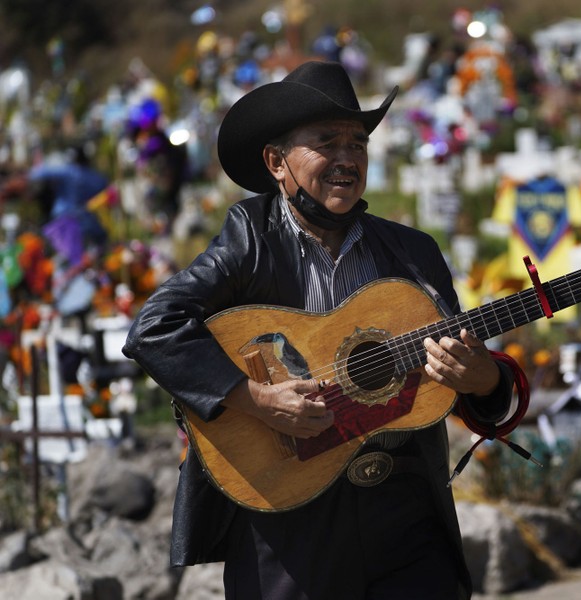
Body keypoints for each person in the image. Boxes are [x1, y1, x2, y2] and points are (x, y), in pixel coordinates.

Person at [122, 60, 514, 599]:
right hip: (289, 516)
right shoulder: (249, 238)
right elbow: (154, 327)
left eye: (358, 144)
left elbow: (465, 380)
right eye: (326, 142)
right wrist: (256, 398)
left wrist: (484, 380)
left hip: (404, 513)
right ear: (276, 162)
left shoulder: (412, 252)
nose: (347, 159)